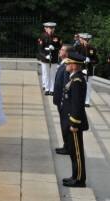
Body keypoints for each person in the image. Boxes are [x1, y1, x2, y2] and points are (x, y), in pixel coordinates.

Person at [61, 52, 89, 188]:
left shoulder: (77, 80)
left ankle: (79, 179)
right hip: (70, 121)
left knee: (77, 152)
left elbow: (77, 105)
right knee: (73, 151)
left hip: (74, 123)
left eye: (68, 63)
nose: (66, 65)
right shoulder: (74, 78)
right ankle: (74, 175)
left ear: (73, 65)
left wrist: (74, 123)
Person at [53, 44, 72, 155]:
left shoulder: (66, 66)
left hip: (64, 103)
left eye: (62, 50)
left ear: (67, 53)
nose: (60, 51)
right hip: (61, 101)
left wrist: (62, 101)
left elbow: (65, 86)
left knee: (65, 125)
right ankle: (66, 145)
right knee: (63, 124)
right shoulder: (63, 64)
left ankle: (68, 147)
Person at [37, 22, 62, 96]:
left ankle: (52, 89)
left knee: (53, 74)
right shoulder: (42, 37)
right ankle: (47, 89)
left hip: (54, 58)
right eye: (49, 28)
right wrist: (45, 56)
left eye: (52, 28)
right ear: (45, 28)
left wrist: (55, 48)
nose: (51, 30)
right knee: (46, 74)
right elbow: (40, 49)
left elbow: (60, 47)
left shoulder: (57, 37)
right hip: (45, 59)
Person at [75, 33, 99, 107]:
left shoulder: (92, 49)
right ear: (82, 40)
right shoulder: (78, 48)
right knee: (79, 85)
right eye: (85, 40)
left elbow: (96, 60)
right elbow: (75, 58)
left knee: (88, 86)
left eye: (88, 40)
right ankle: (79, 100)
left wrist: (90, 61)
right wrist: (82, 61)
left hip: (89, 70)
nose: (86, 41)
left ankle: (87, 101)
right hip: (80, 69)